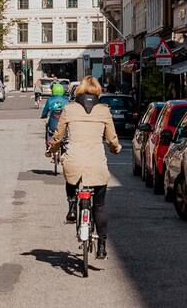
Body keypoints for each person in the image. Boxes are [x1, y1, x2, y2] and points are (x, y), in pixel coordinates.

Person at [48, 75, 121, 260]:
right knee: (100, 205)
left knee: (70, 177)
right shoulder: (104, 111)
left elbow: (58, 136)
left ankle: (72, 206)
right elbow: (112, 138)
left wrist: (52, 150)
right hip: (97, 163)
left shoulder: (69, 109)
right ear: (98, 91)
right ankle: (102, 247)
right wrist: (115, 148)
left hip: (74, 160)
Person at [40, 82, 69, 149]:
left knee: (47, 126)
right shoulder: (66, 100)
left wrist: (43, 115)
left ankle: (48, 144)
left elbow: (45, 110)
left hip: (53, 125)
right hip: (64, 126)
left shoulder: (50, 100)